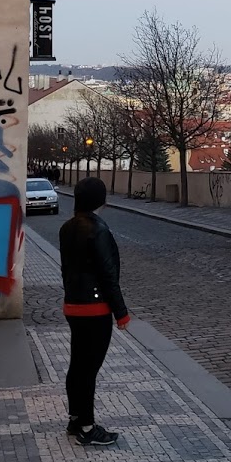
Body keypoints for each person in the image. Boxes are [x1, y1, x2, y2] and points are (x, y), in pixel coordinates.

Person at [59, 176, 130, 446]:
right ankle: (87, 427)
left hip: (73, 305)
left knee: (77, 364)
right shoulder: (98, 229)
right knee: (89, 368)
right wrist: (121, 313)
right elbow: (108, 274)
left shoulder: (67, 228)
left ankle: (76, 418)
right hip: (95, 309)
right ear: (101, 199)